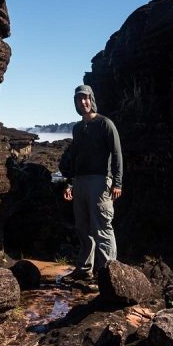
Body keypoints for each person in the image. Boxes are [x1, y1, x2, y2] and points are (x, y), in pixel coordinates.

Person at [59, 84, 123, 280]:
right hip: (80, 182)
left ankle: (107, 275)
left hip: (100, 181)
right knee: (83, 228)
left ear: (92, 99)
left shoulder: (105, 124)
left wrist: (117, 182)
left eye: (86, 98)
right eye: (79, 99)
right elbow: (75, 157)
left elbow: (117, 153)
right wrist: (69, 183)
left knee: (102, 228)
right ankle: (85, 269)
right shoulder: (78, 128)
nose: (83, 102)